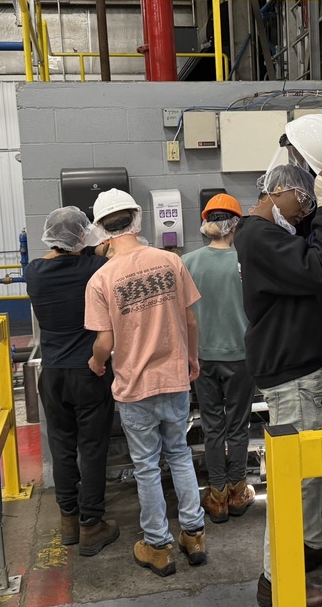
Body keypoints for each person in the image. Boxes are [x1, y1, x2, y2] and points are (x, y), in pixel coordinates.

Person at [234, 161, 322, 607]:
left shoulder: (269, 235)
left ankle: (310, 545)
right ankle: (277, 580)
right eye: (302, 202)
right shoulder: (260, 237)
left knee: (313, 472)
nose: (304, 213)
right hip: (292, 377)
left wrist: (314, 210)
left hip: (304, 368)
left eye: (309, 205)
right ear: (277, 191)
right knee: (295, 483)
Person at [84, 189, 207, 577]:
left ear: (101, 229)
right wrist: (191, 358)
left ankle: (157, 546)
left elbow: (104, 341)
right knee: (180, 454)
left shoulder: (101, 279)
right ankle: (194, 534)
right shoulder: (170, 261)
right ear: (136, 219)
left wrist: (96, 362)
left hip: (135, 387)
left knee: (147, 467)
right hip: (174, 379)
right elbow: (190, 321)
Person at [24, 206, 119, 555]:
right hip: (90, 371)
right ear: (83, 236)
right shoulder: (95, 268)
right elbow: (103, 256)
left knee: (62, 446)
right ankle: (91, 524)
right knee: (92, 448)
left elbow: (71, 257)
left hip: (52, 375)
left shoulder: (34, 272)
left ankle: (68, 519)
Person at [181, 193, 256, 524]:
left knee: (212, 426)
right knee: (238, 425)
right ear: (236, 225)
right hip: (241, 356)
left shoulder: (187, 263)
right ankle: (238, 492)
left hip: (202, 357)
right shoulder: (247, 262)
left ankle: (217, 497)